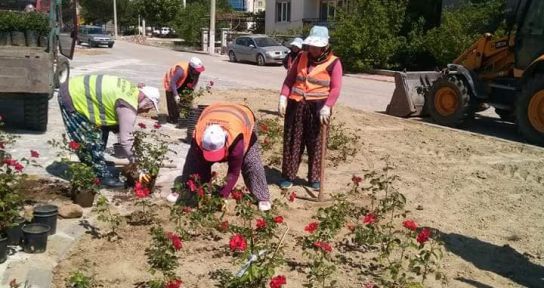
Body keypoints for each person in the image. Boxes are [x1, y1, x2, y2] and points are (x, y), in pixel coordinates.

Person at [58, 74, 160, 188]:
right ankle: (100, 176)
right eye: (149, 107)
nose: (147, 111)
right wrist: (139, 165)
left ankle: (96, 164)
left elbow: (115, 122)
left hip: (77, 88)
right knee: (90, 141)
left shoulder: (133, 92)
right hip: (72, 96)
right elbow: (126, 141)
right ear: (146, 100)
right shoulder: (127, 105)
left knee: (102, 131)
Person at [277, 26, 343, 190]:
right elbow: (289, 80)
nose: (312, 49)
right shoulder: (301, 57)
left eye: (316, 46)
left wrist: (328, 106)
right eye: (311, 46)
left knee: (316, 143)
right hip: (296, 104)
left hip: (319, 108)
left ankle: (314, 178)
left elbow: (335, 89)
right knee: (293, 141)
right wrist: (283, 97)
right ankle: (289, 176)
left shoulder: (334, 62)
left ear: (325, 46)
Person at [173, 102, 272, 211]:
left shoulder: (236, 141)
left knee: (251, 161)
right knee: (193, 161)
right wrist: (204, 190)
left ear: (225, 141)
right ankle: (187, 188)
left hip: (241, 118)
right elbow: (202, 165)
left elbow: (234, 172)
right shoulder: (198, 137)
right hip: (214, 111)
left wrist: (222, 195)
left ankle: (262, 196)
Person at [163, 57, 205, 124]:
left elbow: (195, 81)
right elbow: (173, 83)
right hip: (171, 83)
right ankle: (173, 118)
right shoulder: (180, 71)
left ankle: (186, 117)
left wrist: (191, 91)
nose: (198, 72)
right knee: (172, 102)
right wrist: (176, 95)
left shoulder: (196, 72)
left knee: (187, 101)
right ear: (191, 68)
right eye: (197, 70)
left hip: (182, 81)